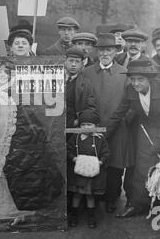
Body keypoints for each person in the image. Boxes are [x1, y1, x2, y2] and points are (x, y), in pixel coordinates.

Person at [0, 60, 64, 232]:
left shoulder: (12, 91)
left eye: (4, 72)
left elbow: (5, 108)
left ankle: (22, 212)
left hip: (21, 140)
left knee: (22, 177)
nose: (0, 75)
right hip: (0, 140)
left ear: (11, 74)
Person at [83, 33, 132, 213]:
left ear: (115, 51)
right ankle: (95, 197)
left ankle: (112, 197)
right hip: (92, 126)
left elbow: (131, 101)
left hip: (118, 127)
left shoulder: (124, 73)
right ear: (97, 52)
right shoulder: (87, 72)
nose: (105, 53)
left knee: (115, 164)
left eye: (109, 50)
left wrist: (125, 119)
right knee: (94, 161)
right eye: (102, 50)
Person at [106, 59, 160, 218]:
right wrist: (103, 136)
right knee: (142, 169)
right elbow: (118, 114)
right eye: (133, 79)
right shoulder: (130, 90)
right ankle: (138, 204)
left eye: (140, 79)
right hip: (146, 129)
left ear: (149, 79)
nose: (136, 83)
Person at [67, 110, 109, 228]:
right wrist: (74, 159)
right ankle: (74, 215)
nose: (86, 127)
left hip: (91, 172)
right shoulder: (75, 138)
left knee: (90, 195)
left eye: (89, 125)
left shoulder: (100, 139)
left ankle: (91, 217)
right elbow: (68, 150)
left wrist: (100, 162)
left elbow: (106, 153)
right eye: (83, 125)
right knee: (77, 195)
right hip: (79, 172)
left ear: (96, 126)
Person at [65, 46, 97, 129]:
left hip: (74, 127)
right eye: (71, 61)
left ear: (82, 64)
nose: (73, 64)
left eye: (77, 62)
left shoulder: (86, 84)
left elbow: (90, 108)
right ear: (65, 61)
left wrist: (77, 122)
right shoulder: (54, 79)